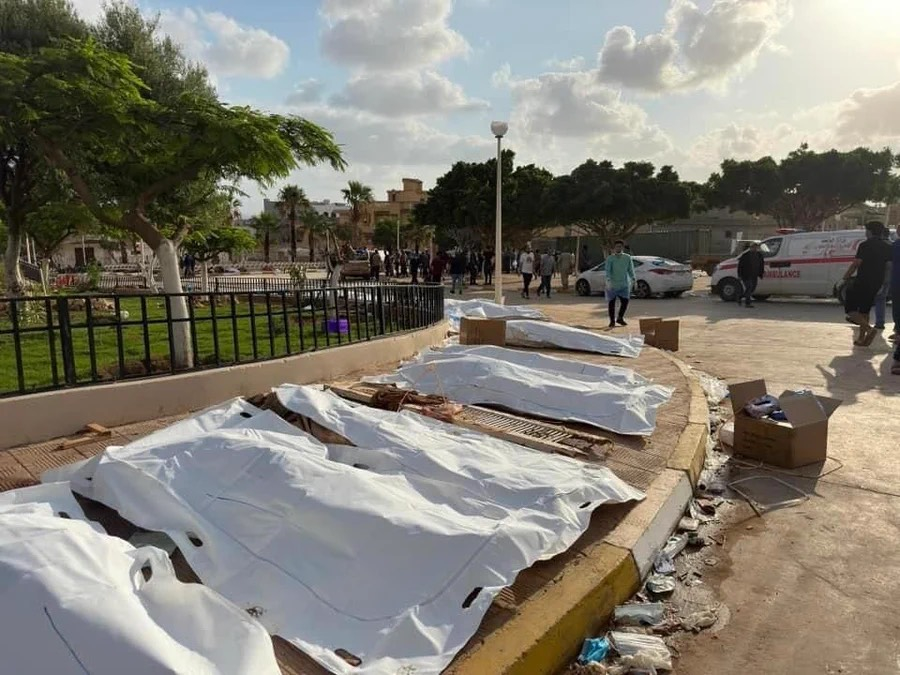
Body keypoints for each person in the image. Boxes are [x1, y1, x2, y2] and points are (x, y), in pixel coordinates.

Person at [843, 221, 892, 347]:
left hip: (862, 280)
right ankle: (862, 339)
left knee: (851, 309)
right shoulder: (887, 246)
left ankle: (869, 329)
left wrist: (845, 277)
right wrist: (885, 283)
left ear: (869, 231)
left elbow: (857, 263)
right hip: (877, 282)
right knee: (865, 310)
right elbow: (888, 266)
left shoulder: (865, 245)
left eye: (866, 230)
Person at [604, 240, 635, 327]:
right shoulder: (610, 258)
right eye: (617, 246)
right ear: (614, 248)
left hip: (624, 284)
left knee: (625, 301)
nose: (619, 248)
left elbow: (630, 269)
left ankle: (620, 318)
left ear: (623, 247)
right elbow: (608, 270)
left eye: (620, 246)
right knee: (611, 303)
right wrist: (608, 280)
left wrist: (633, 278)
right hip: (612, 284)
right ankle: (612, 321)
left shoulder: (627, 257)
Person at [737, 242, 765, 307]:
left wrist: (761, 272)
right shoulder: (745, 255)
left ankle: (740, 297)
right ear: (750, 248)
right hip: (746, 275)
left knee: (752, 289)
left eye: (756, 247)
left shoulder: (759, 255)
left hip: (754, 275)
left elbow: (761, 265)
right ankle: (748, 303)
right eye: (753, 247)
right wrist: (739, 275)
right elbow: (740, 266)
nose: (754, 248)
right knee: (749, 287)